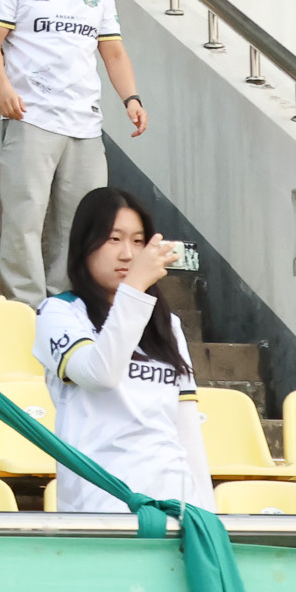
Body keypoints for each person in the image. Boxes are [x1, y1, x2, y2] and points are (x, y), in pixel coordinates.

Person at [0, 0, 144, 306]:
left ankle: (68, 303)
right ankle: (25, 306)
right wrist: (3, 87)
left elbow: (114, 52)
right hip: (31, 117)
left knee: (85, 224)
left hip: (85, 124)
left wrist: (131, 98)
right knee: (25, 218)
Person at [33, 188, 211, 514]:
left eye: (138, 241)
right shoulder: (59, 313)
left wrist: (207, 516)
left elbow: (185, 427)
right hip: (100, 504)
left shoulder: (167, 325)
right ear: (84, 244)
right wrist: (134, 289)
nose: (128, 255)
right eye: (114, 239)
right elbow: (99, 374)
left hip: (176, 502)